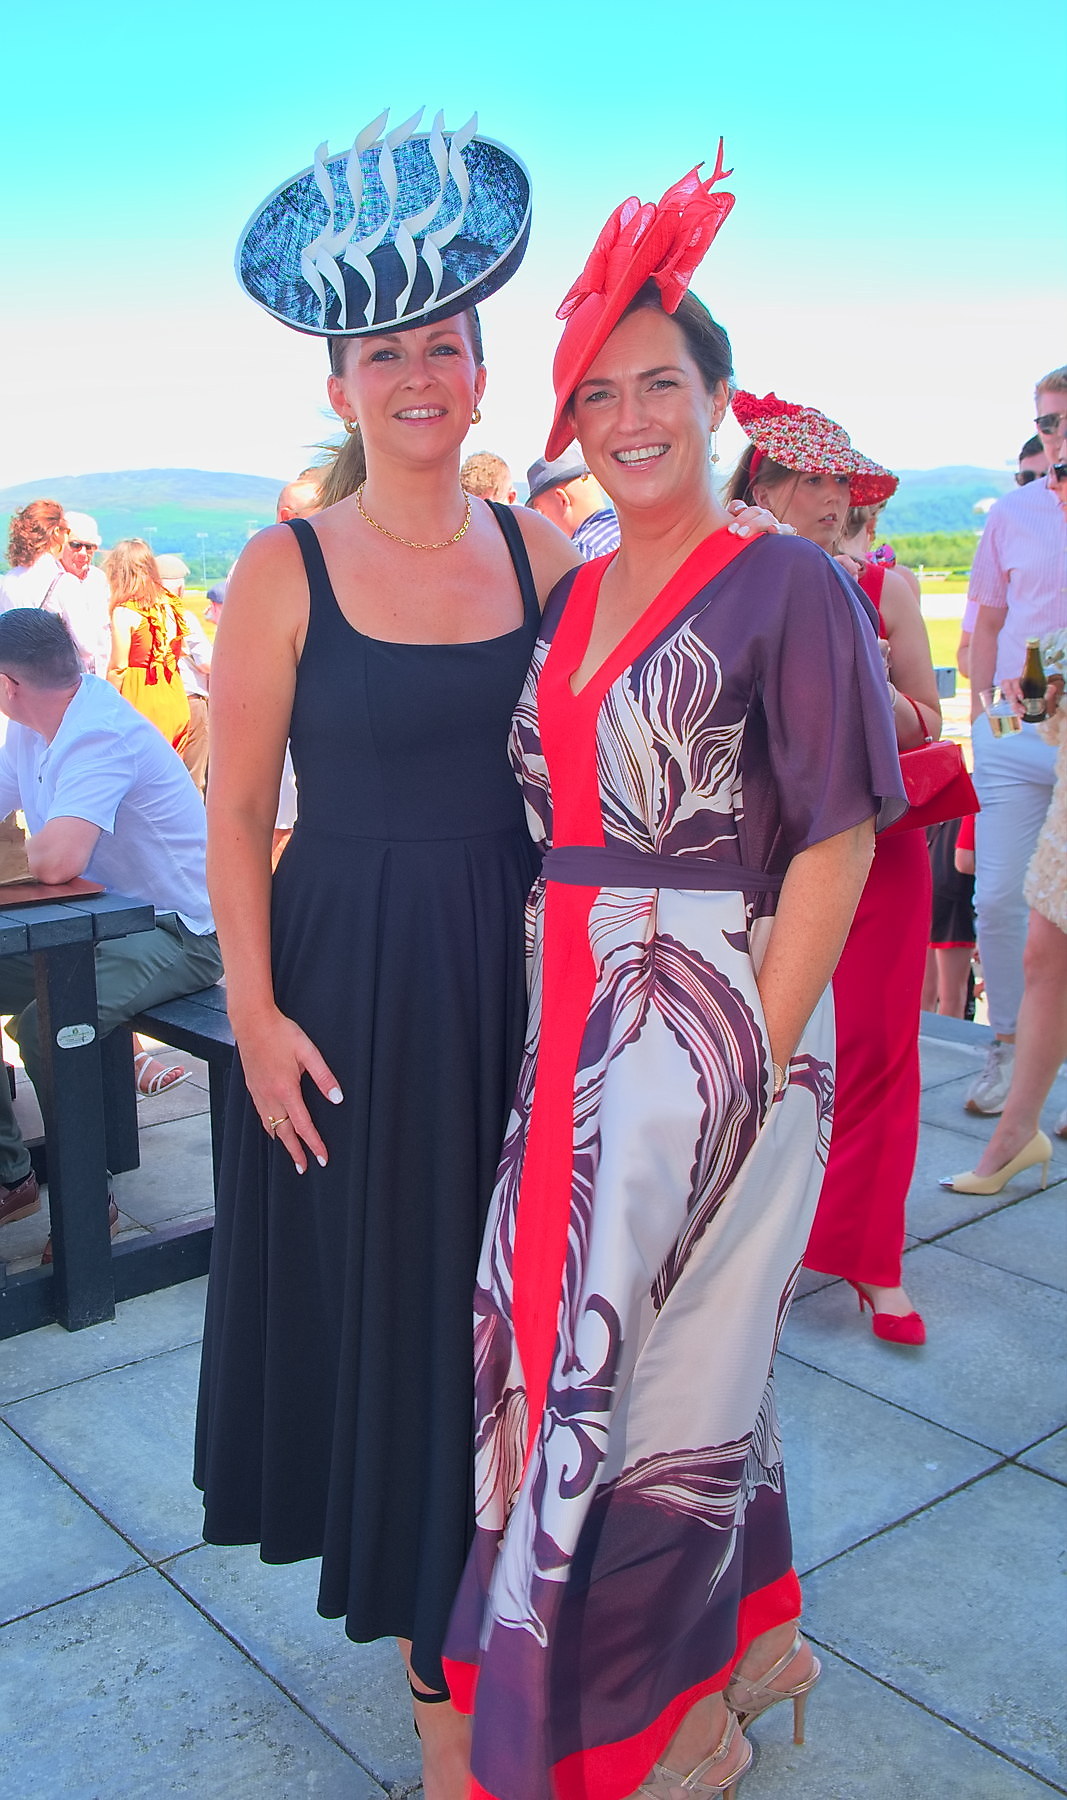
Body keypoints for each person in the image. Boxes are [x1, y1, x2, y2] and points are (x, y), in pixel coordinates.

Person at [443, 159, 904, 1800]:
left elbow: (838, 844)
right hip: (574, 1032)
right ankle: (741, 1651)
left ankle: (640, 1733)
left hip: (716, 1028)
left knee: (637, 1382)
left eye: (662, 383)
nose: (629, 414)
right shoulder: (570, 603)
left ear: (717, 402)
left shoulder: (786, 587)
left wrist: (740, 1075)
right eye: (598, 390)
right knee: (584, 1356)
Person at [193, 112, 562, 1800]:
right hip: (345, 989)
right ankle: (439, 1704)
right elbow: (235, 810)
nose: (420, 373)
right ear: (338, 384)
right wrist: (254, 1016)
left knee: (520, 1314)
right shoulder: (280, 568)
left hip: (511, 976)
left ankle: (521, 1627)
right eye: (385, 350)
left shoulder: (541, 556)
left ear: (483, 373)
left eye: (446, 345)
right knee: (411, 1313)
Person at [728, 392, 943, 1344]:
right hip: (757, 856)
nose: (830, 496)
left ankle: (872, 1260)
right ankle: (746, 1254)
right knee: (754, 1058)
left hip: (878, 851)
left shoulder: (882, 584)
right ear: (761, 484)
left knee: (879, 1053)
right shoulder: (720, 575)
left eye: (838, 480)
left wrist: (850, 675)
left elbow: (924, 721)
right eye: (810, 478)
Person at [0, 611, 222, 1247]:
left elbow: (57, 860)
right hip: (103, 927)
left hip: (182, 934)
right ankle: (11, 1173)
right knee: (47, 1016)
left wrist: (31, 845)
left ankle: (86, 1206)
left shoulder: (98, 734)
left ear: (10, 686)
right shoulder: (37, 726)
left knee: (46, 1029)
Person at [963, 370, 1067, 1115]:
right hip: (1012, 725)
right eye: (1046, 423)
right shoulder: (1013, 512)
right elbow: (988, 625)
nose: (1054, 437)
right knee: (997, 896)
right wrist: (979, 716)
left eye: (1061, 421)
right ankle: (1004, 1046)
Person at [943, 628, 1067, 1189]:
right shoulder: (1012, 535)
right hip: (1021, 727)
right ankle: (1016, 1120)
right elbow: (979, 637)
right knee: (1026, 928)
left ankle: (1018, 1130)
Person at [957, 434, 1050, 678]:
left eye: (1048, 476)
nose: (1037, 487)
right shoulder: (1004, 533)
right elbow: (966, 655)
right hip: (1025, 700)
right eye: (1026, 478)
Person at [104, 538, 191, 752]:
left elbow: (118, 667)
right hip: (175, 695)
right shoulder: (171, 604)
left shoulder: (125, 611)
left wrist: (105, 704)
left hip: (141, 699)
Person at [157, 553, 212, 794]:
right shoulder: (183, 617)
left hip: (154, 704)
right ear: (179, 587)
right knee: (193, 779)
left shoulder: (136, 615)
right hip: (189, 701)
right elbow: (207, 663)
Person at [47, 510, 112, 675]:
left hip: (100, 679)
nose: (83, 553)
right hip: (63, 678)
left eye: (89, 547)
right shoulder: (50, 580)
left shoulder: (99, 579)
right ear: (61, 544)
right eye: (76, 545)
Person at [525, 449, 621, 556]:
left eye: (540, 511)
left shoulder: (581, 552)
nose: (541, 523)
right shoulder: (630, 532)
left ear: (562, 499)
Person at [0, 499, 68, 611]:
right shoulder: (63, 582)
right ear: (56, 531)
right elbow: (79, 628)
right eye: (67, 531)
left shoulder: (7, 582)